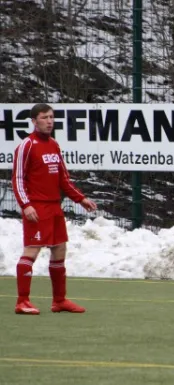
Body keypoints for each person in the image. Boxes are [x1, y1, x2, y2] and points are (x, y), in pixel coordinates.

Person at [12, 103, 97, 315]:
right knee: (32, 250)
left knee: (59, 249)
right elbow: (18, 179)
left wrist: (81, 199)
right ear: (34, 121)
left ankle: (59, 300)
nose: (49, 121)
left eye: (51, 117)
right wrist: (26, 205)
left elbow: (63, 179)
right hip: (37, 207)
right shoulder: (26, 145)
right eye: (44, 117)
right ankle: (22, 301)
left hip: (54, 207)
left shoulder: (54, 145)